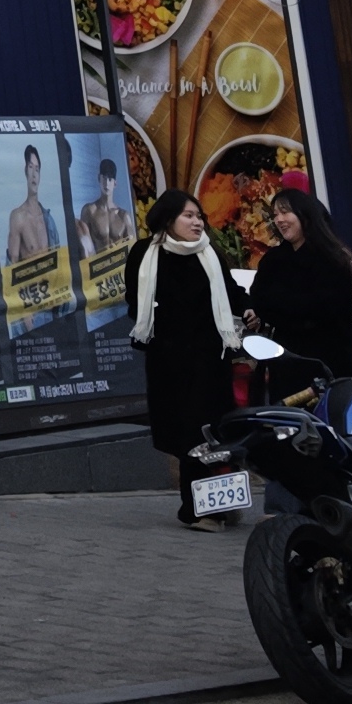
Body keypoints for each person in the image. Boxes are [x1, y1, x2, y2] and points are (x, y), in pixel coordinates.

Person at [132, 190, 245, 523]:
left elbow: (230, 292)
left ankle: (216, 507)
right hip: (169, 363)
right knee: (186, 436)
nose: (197, 222)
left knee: (212, 432)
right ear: (168, 220)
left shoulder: (209, 253)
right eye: (189, 216)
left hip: (211, 360)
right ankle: (198, 510)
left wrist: (249, 309)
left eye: (199, 217)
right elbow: (133, 299)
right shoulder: (145, 254)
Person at [247, 186, 352, 388]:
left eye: (285, 212)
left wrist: (286, 307)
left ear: (304, 214)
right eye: (276, 214)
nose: (279, 220)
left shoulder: (331, 258)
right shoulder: (273, 260)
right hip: (288, 355)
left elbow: (331, 308)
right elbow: (261, 299)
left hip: (331, 354)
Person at [2, 145, 59, 266]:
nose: (34, 174)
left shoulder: (49, 221)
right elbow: (11, 266)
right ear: (25, 171)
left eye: (37, 169)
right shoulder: (18, 217)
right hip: (29, 283)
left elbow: (58, 262)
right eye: (30, 167)